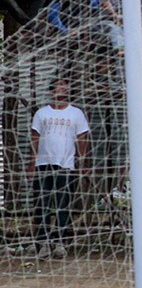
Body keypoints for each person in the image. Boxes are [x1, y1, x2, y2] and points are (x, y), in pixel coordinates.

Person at [30, 79, 90, 260]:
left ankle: (61, 243)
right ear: (52, 90)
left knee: (63, 205)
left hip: (66, 165)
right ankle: (43, 244)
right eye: (60, 85)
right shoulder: (42, 113)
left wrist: (83, 160)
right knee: (42, 205)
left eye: (66, 84)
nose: (64, 87)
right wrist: (32, 162)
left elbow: (83, 137)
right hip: (43, 164)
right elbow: (34, 137)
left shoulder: (76, 113)